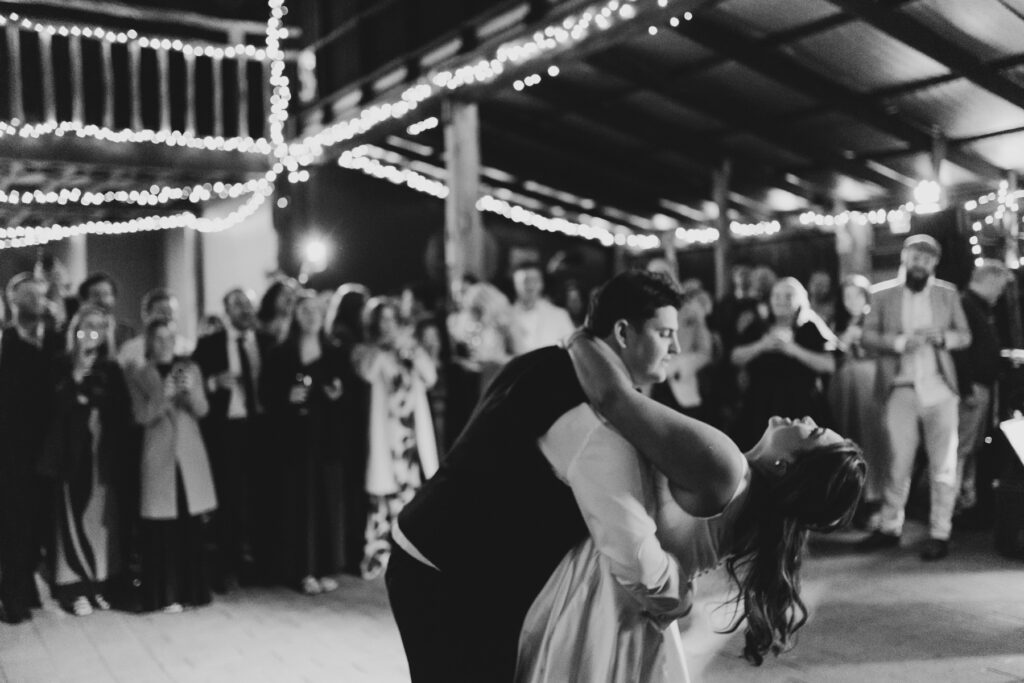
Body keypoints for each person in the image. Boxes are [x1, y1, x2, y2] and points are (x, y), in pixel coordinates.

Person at [386, 271, 708, 682]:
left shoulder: (546, 360)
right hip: (448, 574)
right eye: (664, 334)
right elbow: (633, 554)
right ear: (623, 333)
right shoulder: (592, 422)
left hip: (433, 551)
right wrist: (681, 600)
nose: (676, 347)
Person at [517, 333, 865, 680]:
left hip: (602, 600)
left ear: (785, 467)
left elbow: (614, 399)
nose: (807, 418)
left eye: (813, 432)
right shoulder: (752, 506)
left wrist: (581, 337)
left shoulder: (727, 470)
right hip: (628, 612)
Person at [857, 234, 971, 561]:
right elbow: (866, 336)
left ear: (935, 263)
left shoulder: (947, 294)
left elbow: (965, 335)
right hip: (901, 388)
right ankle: (889, 527)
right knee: (897, 462)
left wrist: (943, 337)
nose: (920, 263)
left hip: (940, 390)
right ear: (904, 257)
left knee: (943, 465)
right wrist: (898, 343)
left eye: (927, 259)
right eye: (915, 256)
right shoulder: (882, 294)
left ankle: (940, 532)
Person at [39, 305, 131, 617]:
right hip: (70, 457)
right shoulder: (60, 364)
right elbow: (50, 409)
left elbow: (121, 412)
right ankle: (72, 588)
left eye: (100, 326)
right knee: (70, 518)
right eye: (87, 325)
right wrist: (77, 374)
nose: (93, 332)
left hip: (101, 453)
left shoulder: (112, 368)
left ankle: (99, 585)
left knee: (101, 522)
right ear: (75, 329)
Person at [127, 320, 217, 612]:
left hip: (189, 456)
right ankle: (166, 595)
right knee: (162, 529)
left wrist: (190, 392)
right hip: (159, 457)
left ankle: (194, 591)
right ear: (149, 343)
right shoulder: (139, 373)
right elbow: (140, 416)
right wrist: (163, 396)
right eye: (159, 338)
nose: (165, 343)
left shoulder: (190, 369)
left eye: (169, 337)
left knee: (190, 525)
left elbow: (203, 410)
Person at [260, 291, 346, 594]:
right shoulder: (280, 353)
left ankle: (324, 567)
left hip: (326, 437)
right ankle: (301, 569)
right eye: (305, 311)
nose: (311, 316)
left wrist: (337, 395)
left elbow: (347, 394)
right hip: (293, 438)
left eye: (316, 311)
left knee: (326, 502)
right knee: (299, 504)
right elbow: (265, 394)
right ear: (295, 316)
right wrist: (286, 396)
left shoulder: (334, 351)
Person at [193, 288, 274, 589]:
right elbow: (196, 379)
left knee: (259, 494)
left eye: (249, 304)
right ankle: (226, 564)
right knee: (228, 497)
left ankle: (257, 562)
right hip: (226, 428)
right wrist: (214, 383)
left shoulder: (265, 342)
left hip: (260, 427)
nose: (245, 310)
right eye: (238, 305)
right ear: (227, 310)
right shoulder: (210, 344)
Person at [353, 298, 439, 580]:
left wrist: (411, 352)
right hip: (385, 434)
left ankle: (411, 552)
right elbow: (367, 374)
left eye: (393, 319)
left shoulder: (412, 350)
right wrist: (383, 349)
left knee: (412, 492)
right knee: (384, 492)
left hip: (410, 435)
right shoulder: (369, 352)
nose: (388, 325)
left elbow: (430, 377)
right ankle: (382, 551)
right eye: (383, 320)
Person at [0, 273, 62, 624]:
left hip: (49, 446)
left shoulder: (54, 341)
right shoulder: (5, 343)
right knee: (15, 524)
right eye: (29, 295)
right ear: (13, 302)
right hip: (13, 450)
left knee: (40, 522)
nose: (37, 300)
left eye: (40, 294)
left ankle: (28, 587)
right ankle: (12, 596)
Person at [731, 277, 837, 449]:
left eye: (788, 296)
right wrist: (761, 346)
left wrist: (793, 350)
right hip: (760, 406)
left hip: (800, 406)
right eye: (777, 296)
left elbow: (828, 365)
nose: (781, 301)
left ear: (800, 301)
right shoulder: (758, 327)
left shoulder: (809, 328)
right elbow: (735, 357)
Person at [953, 260, 1011, 515]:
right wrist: (966, 389)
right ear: (989, 280)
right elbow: (961, 352)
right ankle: (954, 501)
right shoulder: (966, 304)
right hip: (972, 387)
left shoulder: (977, 306)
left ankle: (966, 497)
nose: (1001, 293)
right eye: (1000, 286)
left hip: (980, 385)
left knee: (971, 446)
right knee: (962, 447)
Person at [828, 274, 887, 527]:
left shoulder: (875, 321)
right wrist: (844, 340)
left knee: (871, 439)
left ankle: (874, 500)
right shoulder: (835, 323)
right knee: (847, 438)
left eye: (857, 296)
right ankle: (851, 503)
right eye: (847, 296)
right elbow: (831, 355)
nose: (852, 301)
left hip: (869, 382)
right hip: (843, 385)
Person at [509, 262, 576, 355]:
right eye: (525, 281)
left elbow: (573, 349)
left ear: (542, 283)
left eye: (535, 280)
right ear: (515, 284)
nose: (530, 285)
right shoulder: (506, 316)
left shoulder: (559, 315)